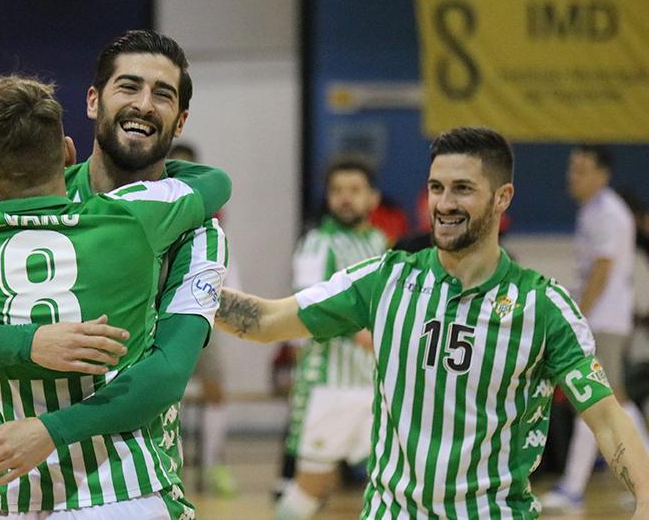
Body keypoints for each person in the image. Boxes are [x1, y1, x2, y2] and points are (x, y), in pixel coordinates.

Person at [213, 126, 649, 518]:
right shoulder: (386, 277)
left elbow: (607, 418)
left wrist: (646, 501)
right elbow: (268, 320)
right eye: (436, 188)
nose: (444, 203)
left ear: (502, 198)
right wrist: (180, 289)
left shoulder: (542, 305)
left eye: (462, 189)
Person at [0, 30, 230, 518]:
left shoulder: (199, 233)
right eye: (128, 87)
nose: (144, 104)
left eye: (163, 94)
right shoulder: (45, 203)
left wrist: (51, 429)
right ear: (93, 101)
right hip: (14, 495)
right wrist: (33, 343)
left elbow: (167, 374)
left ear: (180, 120)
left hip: (118, 482)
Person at [276, 159, 388, 520]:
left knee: (392, 481)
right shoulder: (318, 244)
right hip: (329, 386)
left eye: (354, 191)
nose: (344, 199)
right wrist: (363, 334)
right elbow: (310, 306)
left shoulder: (377, 241)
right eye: (337, 191)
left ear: (372, 198)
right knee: (313, 486)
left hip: (375, 384)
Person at [541, 145, 649, 512]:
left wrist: (578, 315)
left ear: (603, 175)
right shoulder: (593, 210)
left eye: (582, 169)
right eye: (572, 167)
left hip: (603, 320)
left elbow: (602, 270)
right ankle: (635, 479)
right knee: (607, 399)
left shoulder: (607, 212)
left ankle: (576, 487)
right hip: (603, 319)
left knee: (600, 400)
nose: (573, 175)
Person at [166, 141, 238, 496]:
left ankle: (213, 466)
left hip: (206, 318)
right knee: (163, 395)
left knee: (215, 390)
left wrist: (231, 313)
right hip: (161, 321)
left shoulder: (212, 220)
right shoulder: (155, 215)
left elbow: (226, 267)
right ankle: (167, 466)